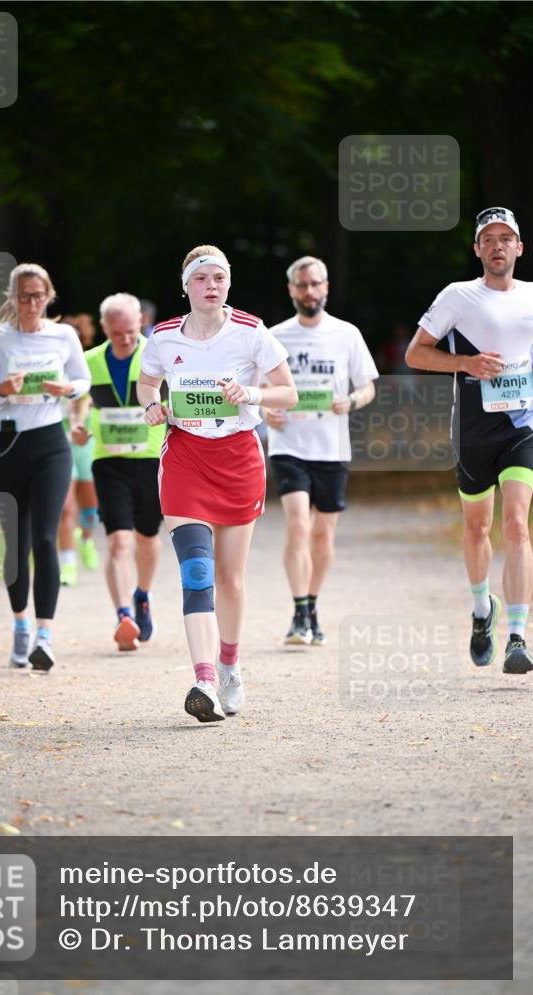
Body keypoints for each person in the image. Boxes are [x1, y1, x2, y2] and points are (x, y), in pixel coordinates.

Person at [137, 244, 297, 723]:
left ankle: (229, 663)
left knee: (229, 578)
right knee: (198, 572)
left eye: (220, 278)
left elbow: (287, 393)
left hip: (238, 459)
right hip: (185, 457)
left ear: (229, 284)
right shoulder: (164, 336)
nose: (212, 286)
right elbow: (148, 383)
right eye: (202, 278)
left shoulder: (251, 332)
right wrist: (152, 405)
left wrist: (249, 393)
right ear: (185, 285)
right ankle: (203, 678)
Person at [405, 206, 533, 675]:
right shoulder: (459, 296)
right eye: (488, 239)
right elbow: (416, 353)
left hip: (523, 427)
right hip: (474, 431)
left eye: (506, 238)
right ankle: (483, 610)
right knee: (478, 528)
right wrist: (466, 364)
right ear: (478, 249)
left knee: (518, 524)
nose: (497, 246)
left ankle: (518, 636)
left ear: (519, 247)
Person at [0, 263, 91, 671]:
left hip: (51, 444)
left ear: (49, 296)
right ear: (12, 297)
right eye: (23, 296)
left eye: (38, 296)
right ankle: (20, 625)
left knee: (46, 538)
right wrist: (0, 389)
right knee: (17, 545)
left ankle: (45, 635)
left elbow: (83, 380)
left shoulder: (63, 335)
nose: (31, 304)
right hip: (5, 446)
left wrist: (67, 388)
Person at [264, 256, 378, 646]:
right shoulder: (274, 336)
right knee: (298, 523)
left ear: (325, 287)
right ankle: (298, 612)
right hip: (288, 444)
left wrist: (352, 401)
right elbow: (250, 388)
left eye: (315, 284)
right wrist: (265, 410)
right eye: (302, 285)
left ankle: (312, 604)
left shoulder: (346, 334)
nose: (309, 292)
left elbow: (368, 386)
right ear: (291, 290)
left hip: (331, 447)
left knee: (323, 535)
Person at [72, 293, 165, 650]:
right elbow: (78, 402)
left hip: (151, 457)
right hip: (107, 460)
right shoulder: (89, 361)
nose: (125, 340)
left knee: (146, 538)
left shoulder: (158, 356)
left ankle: (143, 594)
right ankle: (124, 613)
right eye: (116, 334)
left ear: (141, 321)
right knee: (118, 540)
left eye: (130, 332)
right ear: (104, 330)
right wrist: (78, 425)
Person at [58, 314, 100, 585]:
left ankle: (86, 538)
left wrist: (78, 420)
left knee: (89, 507)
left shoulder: (90, 365)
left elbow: (84, 401)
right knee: (65, 508)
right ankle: (68, 566)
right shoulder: (49, 368)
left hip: (87, 439)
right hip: (60, 439)